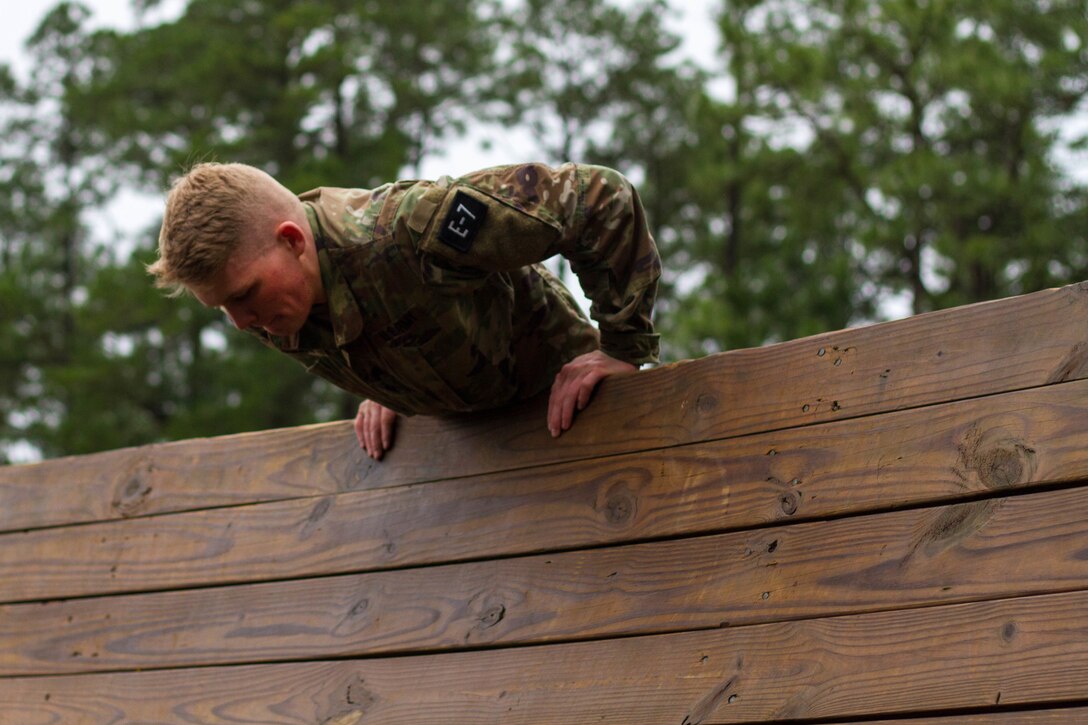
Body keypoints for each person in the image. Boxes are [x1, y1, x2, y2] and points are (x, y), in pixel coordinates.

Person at [150, 161, 660, 460]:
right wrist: (390, 385)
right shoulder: (280, 306)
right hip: (484, 464)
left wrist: (623, 345)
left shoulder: (409, 230)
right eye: (222, 309)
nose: (241, 322)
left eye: (243, 296)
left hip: (585, 427)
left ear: (291, 241)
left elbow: (599, 200)